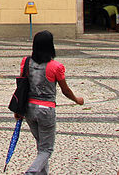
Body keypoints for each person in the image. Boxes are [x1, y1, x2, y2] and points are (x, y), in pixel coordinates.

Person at [13, 30, 83, 174]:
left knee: (41, 146)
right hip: (46, 110)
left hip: (29, 110)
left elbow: (21, 86)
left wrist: (18, 109)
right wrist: (77, 100)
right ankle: (31, 172)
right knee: (47, 149)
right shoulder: (56, 67)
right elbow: (65, 90)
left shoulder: (26, 62)